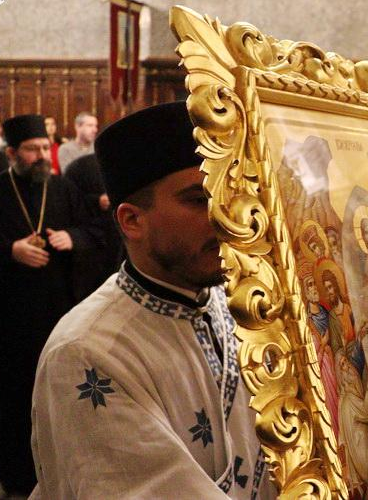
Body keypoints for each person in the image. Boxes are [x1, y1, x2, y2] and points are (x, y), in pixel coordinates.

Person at [30, 102, 275, 499]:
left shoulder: (234, 301)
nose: (228, 216)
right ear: (132, 220)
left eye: (229, 193)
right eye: (199, 198)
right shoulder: (86, 352)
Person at [0, 114, 102, 497]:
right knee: (15, 398)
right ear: (13, 153)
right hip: (10, 319)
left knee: (60, 396)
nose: (43, 155)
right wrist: (11, 250)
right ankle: (18, 479)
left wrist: (72, 237)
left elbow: (97, 232)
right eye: (33, 149)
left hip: (59, 314)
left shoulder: (63, 189)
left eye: (46, 147)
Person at [64, 153, 123, 300]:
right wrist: (96, 201)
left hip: (120, 237)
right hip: (92, 245)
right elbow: (73, 202)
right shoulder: (79, 167)